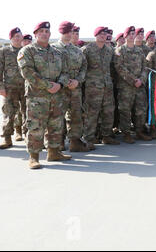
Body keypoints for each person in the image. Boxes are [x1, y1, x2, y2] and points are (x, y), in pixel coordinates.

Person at [17, 22, 71, 169]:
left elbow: (66, 72)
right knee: (36, 126)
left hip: (56, 95)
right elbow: (27, 72)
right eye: (41, 31)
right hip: (37, 97)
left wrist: (59, 84)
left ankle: (54, 152)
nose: (44, 33)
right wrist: (48, 86)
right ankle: (34, 157)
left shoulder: (58, 52)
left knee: (55, 124)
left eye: (47, 31)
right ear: (35, 34)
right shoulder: (27, 51)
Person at [51, 21, 89, 152]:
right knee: (57, 116)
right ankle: (58, 142)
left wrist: (78, 81)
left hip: (75, 89)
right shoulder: (53, 49)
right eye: (66, 32)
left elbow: (84, 67)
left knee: (76, 115)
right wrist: (64, 82)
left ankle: (75, 141)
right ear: (61, 32)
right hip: (59, 90)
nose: (69, 34)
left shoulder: (77, 51)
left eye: (71, 32)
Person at [81, 26, 119, 150]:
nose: (103, 36)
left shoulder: (109, 50)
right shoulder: (87, 49)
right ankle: (89, 139)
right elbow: (82, 68)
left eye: (105, 34)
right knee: (91, 114)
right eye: (100, 34)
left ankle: (106, 136)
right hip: (93, 88)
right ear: (95, 35)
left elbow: (113, 68)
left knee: (108, 112)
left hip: (107, 86)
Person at [115, 26, 152, 143]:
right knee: (125, 110)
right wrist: (133, 80)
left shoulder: (139, 51)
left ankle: (139, 131)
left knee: (141, 109)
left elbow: (145, 67)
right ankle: (126, 133)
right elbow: (119, 68)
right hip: (126, 86)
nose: (132, 35)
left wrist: (141, 79)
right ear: (125, 36)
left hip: (139, 86)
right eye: (129, 33)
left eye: (133, 33)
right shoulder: (120, 51)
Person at [0, 27, 26, 149]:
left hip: (26, 88)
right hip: (9, 88)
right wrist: (1, 87)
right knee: (8, 113)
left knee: (28, 113)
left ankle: (29, 138)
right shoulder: (4, 51)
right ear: (11, 38)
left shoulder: (27, 51)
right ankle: (7, 138)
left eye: (20, 35)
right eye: (16, 36)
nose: (18, 38)